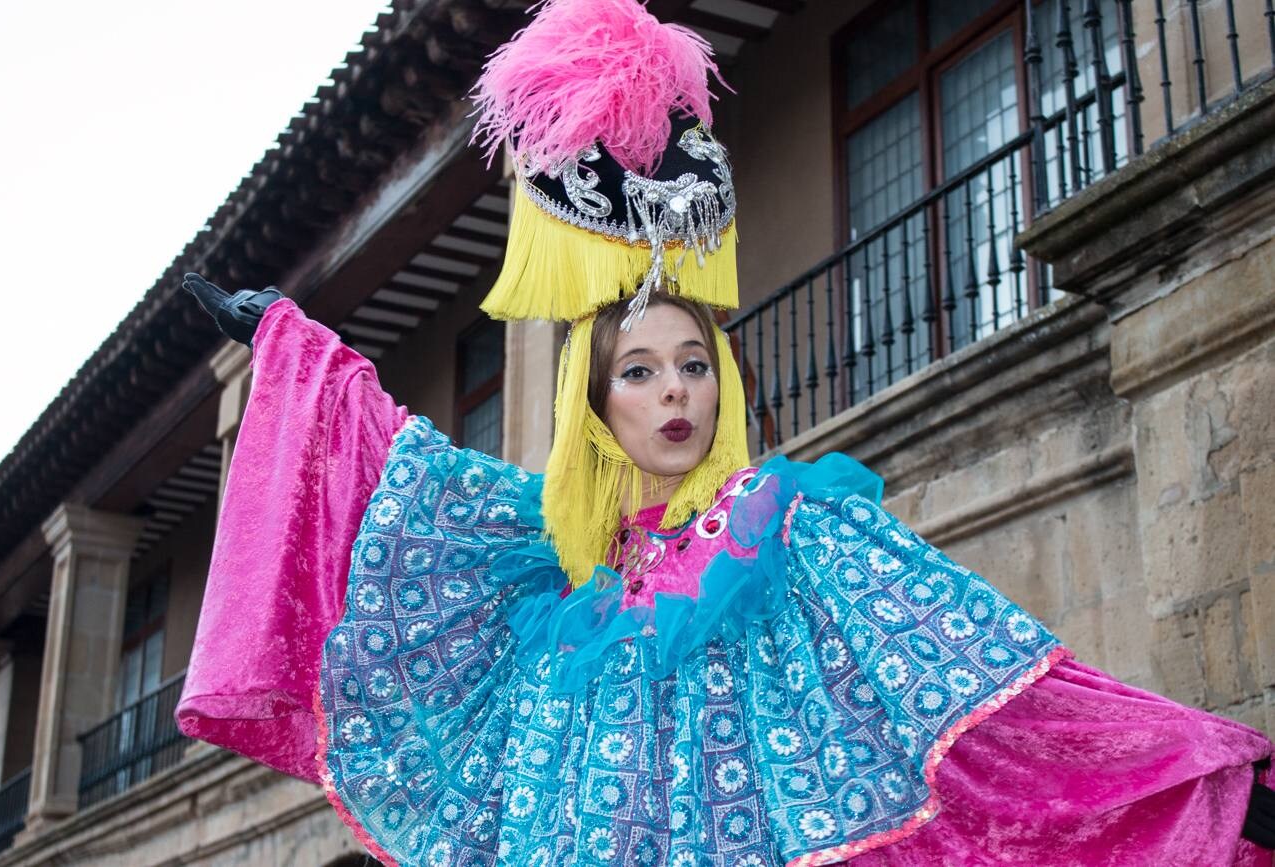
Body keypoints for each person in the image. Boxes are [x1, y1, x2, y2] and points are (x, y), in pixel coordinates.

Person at [176, 0, 1275, 864]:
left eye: (694, 366)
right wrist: (287, 344)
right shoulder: (558, 574)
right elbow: (407, 473)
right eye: (641, 373)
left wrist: (1200, 777)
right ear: (596, 408)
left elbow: (989, 676)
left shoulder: (786, 529)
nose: (675, 394)